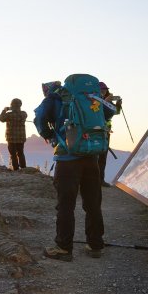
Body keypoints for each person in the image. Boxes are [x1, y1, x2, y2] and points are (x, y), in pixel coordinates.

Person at [34, 74, 114, 261]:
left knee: (66, 204)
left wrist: (48, 134)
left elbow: (39, 117)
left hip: (67, 156)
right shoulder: (91, 96)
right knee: (93, 203)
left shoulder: (56, 96)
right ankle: (95, 245)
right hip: (91, 155)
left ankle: (63, 248)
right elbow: (109, 113)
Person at [97, 81, 122, 187]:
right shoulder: (95, 100)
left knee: (102, 156)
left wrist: (118, 105)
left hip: (105, 132)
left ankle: (100, 180)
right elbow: (97, 110)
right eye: (102, 90)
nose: (103, 91)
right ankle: (96, 180)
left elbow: (115, 112)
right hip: (98, 131)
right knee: (98, 156)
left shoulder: (106, 101)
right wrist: (105, 101)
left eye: (105, 90)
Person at [0, 98, 27, 170]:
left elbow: (1, 118)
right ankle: (23, 168)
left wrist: (5, 110)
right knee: (21, 153)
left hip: (11, 138)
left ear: (12, 105)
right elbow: (20, 113)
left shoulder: (9, 115)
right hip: (21, 138)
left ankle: (16, 169)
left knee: (13, 155)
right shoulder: (24, 114)